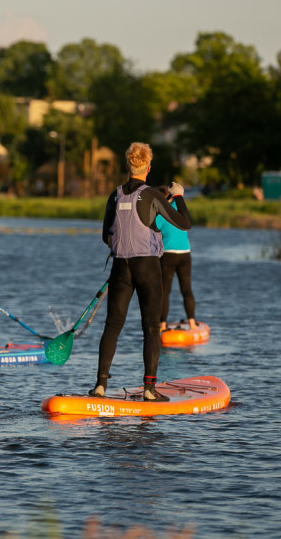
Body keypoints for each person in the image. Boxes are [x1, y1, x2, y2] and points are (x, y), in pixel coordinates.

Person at [92, 142, 190, 401]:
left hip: (120, 268)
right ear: (148, 167)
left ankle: (100, 386)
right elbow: (184, 223)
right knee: (150, 328)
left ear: (127, 166)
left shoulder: (114, 194)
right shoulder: (153, 195)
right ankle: (149, 390)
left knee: (112, 326)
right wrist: (178, 195)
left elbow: (106, 236)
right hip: (147, 267)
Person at [156, 189, 198, 332]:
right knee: (187, 290)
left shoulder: (160, 212)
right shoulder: (179, 207)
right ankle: (192, 324)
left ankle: (162, 325)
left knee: (165, 291)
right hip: (185, 253)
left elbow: (154, 229)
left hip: (168, 254)